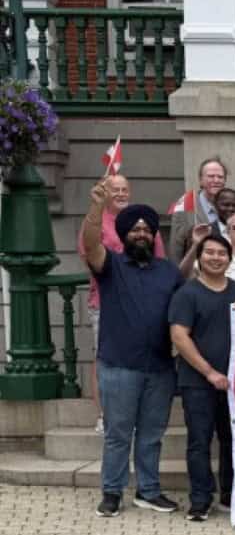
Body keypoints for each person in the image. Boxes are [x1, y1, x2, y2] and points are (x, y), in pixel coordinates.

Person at [79, 184, 183, 517]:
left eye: (146, 229)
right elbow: (90, 244)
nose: (141, 233)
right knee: (118, 434)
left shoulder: (168, 271)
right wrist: (96, 208)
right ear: (124, 235)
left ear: (154, 236)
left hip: (160, 367)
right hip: (119, 365)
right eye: (134, 228)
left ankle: (148, 491)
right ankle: (111, 491)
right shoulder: (110, 265)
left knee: (152, 434)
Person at [168, 234, 235, 522]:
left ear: (229, 259)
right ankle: (200, 499)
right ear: (199, 257)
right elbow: (179, 336)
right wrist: (209, 372)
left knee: (232, 441)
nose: (216, 258)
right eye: (210, 253)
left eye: (222, 253)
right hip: (197, 382)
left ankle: (231, 496)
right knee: (199, 441)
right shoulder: (187, 294)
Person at [76, 174, 167, 434]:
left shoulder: (142, 222)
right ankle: (105, 414)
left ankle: (135, 412)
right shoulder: (95, 220)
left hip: (141, 302)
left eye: (124, 189)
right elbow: (88, 251)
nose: (120, 194)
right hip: (105, 300)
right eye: (114, 189)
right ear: (104, 192)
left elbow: (158, 259)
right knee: (104, 357)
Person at [168, 157, 226, 264]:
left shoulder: (231, 206)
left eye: (220, 177)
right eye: (210, 176)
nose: (216, 180)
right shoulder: (184, 209)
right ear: (200, 180)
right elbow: (175, 250)